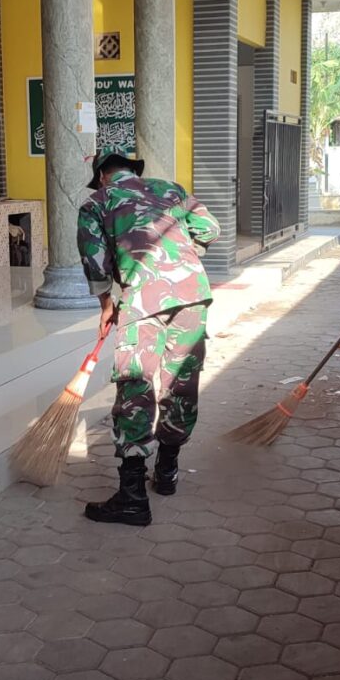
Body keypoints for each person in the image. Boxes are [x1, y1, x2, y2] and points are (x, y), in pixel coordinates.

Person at [77, 146, 220, 526]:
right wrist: (181, 257)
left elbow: (94, 261)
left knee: (135, 387)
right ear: (132, 170)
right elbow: (210, 229)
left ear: (103, 174)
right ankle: (168, 471)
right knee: (181, 383)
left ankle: (132, 497)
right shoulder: (171, 189)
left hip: (142, 300)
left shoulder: (98, 202)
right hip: (193, 294)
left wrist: (107, 303)